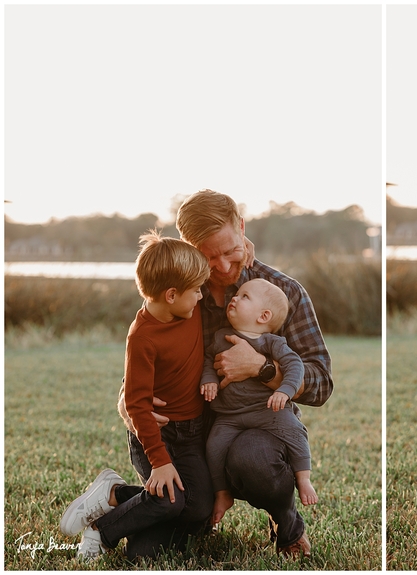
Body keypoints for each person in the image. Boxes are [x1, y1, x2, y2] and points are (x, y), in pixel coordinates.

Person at [117, 189, 333, 558]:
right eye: (207, 254)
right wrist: (126, 399)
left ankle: (286, 522)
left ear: (242, 228)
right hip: (187, 431)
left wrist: (263, 368)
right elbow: (145, 350)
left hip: (258, 428)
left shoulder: (281, 293)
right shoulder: (180, 290)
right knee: (160, 542)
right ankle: (117, 498)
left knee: (252, 457)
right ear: (187, 247)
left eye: (230, 250)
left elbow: (321, 383)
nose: (220, 266)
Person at [60, 231, 213, 560]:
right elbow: (137, 404)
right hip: (156, 435)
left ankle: (115, 495)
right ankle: (102, 530)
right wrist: (159, 461)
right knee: (164, 511)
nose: (201, 296)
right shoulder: (142, 337)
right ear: (171, 295)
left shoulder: (189, 308)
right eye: (196, 291)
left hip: (191, 434)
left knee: (199, 507)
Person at [200, 278, 318, 529]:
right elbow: (208, 361)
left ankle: (303, 477)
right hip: (228, 416)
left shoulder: (272, 342)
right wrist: (209, 380)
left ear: (263, 316)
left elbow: (295, 366)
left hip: (267, 410)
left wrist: (284, 391)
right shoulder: (222, 337)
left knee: (293, 430)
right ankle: (222, 493)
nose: (235, 298)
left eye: (244, 297)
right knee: (214, 446)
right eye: (237, 295)